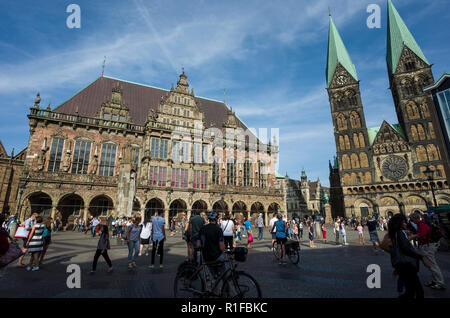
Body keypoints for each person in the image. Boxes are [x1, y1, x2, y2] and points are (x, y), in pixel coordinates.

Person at [387, 213, 430, 298]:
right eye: (404, 222)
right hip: (406, 265)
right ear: (399, 223)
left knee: (410, 291)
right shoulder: (399, 233)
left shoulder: (396, 233)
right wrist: (421, 257)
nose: (406, 224)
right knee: (418, 291)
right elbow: (405, 249)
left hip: (403, 266)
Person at [410, 212, 446, 290]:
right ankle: (434, 281)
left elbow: (422, 235)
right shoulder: (422, 223)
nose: (411, 221)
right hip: (428, 245)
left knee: (432, 265)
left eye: (412, 219)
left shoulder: (421, 225)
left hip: (427, 246)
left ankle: (440, 283)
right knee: (430, 265)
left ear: (416, 218)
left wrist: (414, 236)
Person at [198, 211, 225, 277]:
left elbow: (198, 244)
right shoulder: (218, 229)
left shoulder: (202, 229)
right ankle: (225, 284)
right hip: (216, 255)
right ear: (216, 219)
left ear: (208, 219)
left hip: (206, 256)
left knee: (212, 275)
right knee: (224, 274)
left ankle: (213, 283)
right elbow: (221, 247)